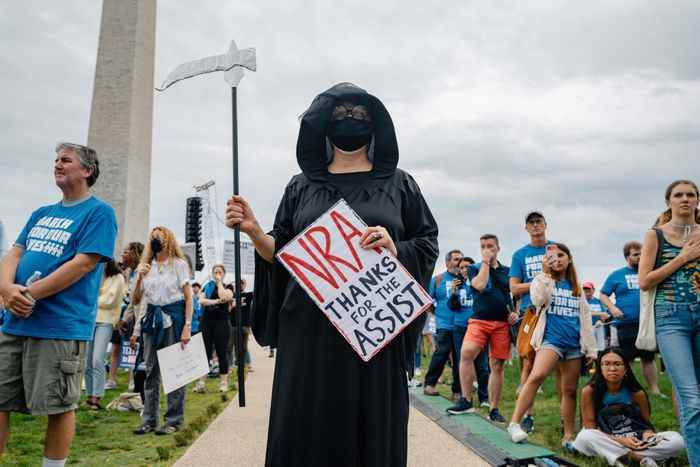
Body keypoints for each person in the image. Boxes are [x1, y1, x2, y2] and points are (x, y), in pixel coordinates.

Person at [225, 82, 438, 467]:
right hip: (309, 334)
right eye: (340, 113)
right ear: (321, 125)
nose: (350, 119)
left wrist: (395, 248)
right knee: (306, 427)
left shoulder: (399, 184)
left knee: (371, 432)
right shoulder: (301, 187)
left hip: (373, 331)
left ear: (376, 125)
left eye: (359, 112)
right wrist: (256, 231)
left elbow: (426, 243)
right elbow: (284, 256)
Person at [0, 142, 117, 466]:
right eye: (55, 160)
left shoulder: (99, 212)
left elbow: (83, 263)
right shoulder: (41, 213)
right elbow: (14, 253)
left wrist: (28, 295)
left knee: (59, 405)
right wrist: (7, 288)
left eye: (65, 160)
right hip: (14, 321)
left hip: (59, 325)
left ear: (87, 170)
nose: (57, 164)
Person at [508, 243, 597, 449]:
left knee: (569, 390)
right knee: (536, 376)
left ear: (569, 259)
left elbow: (585, 318)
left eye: (561, 255)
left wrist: (591, 349)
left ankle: (568, 436)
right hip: (551, 340)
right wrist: (545, 274)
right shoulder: (542, 280)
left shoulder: (577, 287)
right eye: (552, 256)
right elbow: (538, 299)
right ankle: (515, 423)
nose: (557, 259)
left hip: (573, 344)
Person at [638, 179, 700, 465]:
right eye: (679, 195)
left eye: (691, 194)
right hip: (671, 317)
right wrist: (683, 257)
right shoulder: (655, 236)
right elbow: (645, 281)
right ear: (669, 202)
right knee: (692, 398)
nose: (685, 199)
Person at [574, 348, 685, 467]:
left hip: (634, 439)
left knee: (678, 441)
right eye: (606, 364)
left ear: (626, 368)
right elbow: (591, 427)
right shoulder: (589, 391)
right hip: (606, 437)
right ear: (600, 368)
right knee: (585, 436)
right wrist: (619, 440)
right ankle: (638, 459)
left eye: (617, 364)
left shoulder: (637, 393)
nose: (612, 369)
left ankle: (619, 457)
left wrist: (648, 435)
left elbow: (645, 425)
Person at [130, 226, 193, 435]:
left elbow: (188, 298)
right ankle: (149, 419)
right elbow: (138, 300)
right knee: (151, 371)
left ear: (169, 239)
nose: (157, 238)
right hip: (152, 321)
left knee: (174, 370)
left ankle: (173, 419)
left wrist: (187, 326)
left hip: (173, 319)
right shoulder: (146, 267)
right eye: (153, 235)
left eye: (161, 234)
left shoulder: (179, 265)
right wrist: (139, 277)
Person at [448, 234, 515, 424]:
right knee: (466, 353)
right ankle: (466, 400)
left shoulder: (507, 271)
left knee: (497, 365)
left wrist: (515, 313)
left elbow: (511, 294)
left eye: (490, 246)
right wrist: (485, 262)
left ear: (498, 248)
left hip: (501, 323)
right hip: (479, 320)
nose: (487, 248)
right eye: (483, 246)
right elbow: (480, 285)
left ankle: (493, 408)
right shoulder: (474, 268)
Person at [509, 211, 555, 432]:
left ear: (546, 225)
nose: (535, 225)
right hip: (532, 311)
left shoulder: (556, 249)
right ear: (526, 228)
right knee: (528, 360)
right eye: (531, 222)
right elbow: (514, 287)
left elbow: (567, 276)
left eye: (539, 221)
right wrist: (540, 282)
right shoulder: (520, 255)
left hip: (555, 309)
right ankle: (527, 415)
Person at [601, 242, 662, 395]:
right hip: (625, 324)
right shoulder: (617, 275)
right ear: (627, 257)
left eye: (642, 253)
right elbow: (603, 294)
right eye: (636, 254)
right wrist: (613, 308)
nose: (640, 257)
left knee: (648, 358)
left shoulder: (649, 272)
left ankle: (655, 390)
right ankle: (627, 389)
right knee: (625, 359)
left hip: (646, 323)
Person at [85, 259, 126, 409]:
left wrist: (91, 300)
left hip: (106, 321)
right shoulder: (93, 275)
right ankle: (89, 395)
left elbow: (111, 300)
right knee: (87, 361)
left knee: (97, 359)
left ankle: (97, 396)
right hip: (89, 320)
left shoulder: (118, 278)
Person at [423, 250, 464, 400]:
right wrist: (436, 313)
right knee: (441, 354)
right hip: (444, 325)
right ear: (447, 262)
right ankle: (429, 384)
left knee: (460, 358)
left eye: (461, 259)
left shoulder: (465, 278)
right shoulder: (438, 279)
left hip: (462, 325)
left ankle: (457, 391)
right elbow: (428, 300)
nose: (459, 263)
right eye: (455, 259)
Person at [453, 256, 490, 407]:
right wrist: (454, 292)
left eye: (467, 266)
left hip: (478, 327)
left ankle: (484, 398)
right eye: (461, 267)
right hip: (460, 328)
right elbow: (452, 306)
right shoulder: (458, 286)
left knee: (482, 365)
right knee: (462, 362)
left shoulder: (479, 283)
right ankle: (465, 396)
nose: (464, 270)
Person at [194, 264, 233, 393]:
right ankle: (201, 382)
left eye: (220, 272)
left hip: (221, 323)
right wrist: (216, 302)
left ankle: (223, 382)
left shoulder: (228, 286)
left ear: (223, 274)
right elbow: (201, 301)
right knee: (205, 352)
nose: (217, 274)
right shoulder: (207, 286)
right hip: (206, 322)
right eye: (215, 272)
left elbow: (225, 296)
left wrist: (219, 282)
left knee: (222, 352)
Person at [229, 278, 253, 373]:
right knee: (230, 346)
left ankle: (248, 364)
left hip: (244, 325)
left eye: (242, 283)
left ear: (245, 285)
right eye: (238, 283)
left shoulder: (248, 295)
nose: (240, 285)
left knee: (244, 347)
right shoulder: (231, 296)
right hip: (233, 324)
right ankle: (232, 365)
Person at [583, 281, 611, 352]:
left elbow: (605, 314)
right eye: (585, 289)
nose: (587, 291)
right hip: (586, 329)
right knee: (587, 352)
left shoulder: (598, 301)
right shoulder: (581, 301)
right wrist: (600, 314)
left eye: (589, 289)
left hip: (599, 328)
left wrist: (601, 320)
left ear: (593, 290)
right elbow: (584, 313)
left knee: (600, 350)